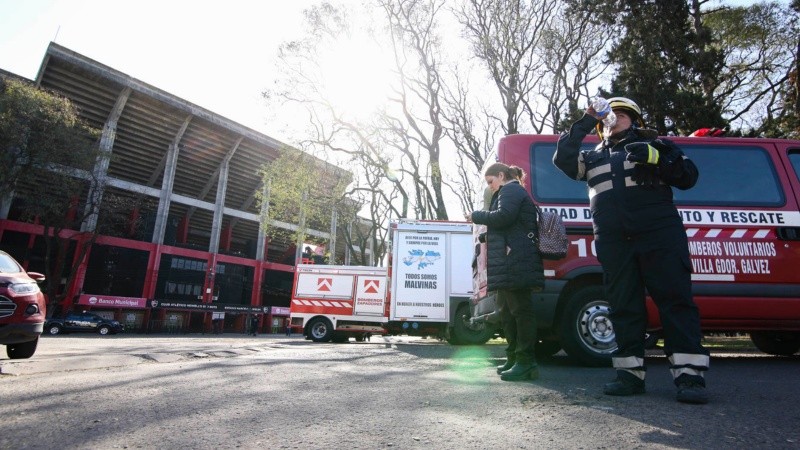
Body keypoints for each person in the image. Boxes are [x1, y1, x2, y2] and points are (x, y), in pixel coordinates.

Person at [553, 96, 709, 404]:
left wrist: (655, 157)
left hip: (660, 235)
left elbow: (688, 177)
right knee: (622, 304)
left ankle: (690, 377)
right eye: (610, 115)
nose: (616, 117)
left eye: (623, 114)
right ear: (600, 125)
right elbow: (562, 157)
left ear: (634, 120)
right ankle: (629, 375)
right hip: (613, 241)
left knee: (675, 301)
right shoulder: (591, 157)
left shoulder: (658, 145)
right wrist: (586, 119)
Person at [466, 163, 545, 382]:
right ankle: (514, 357)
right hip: (512, 261)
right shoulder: (511, 191)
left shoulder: (511, 190)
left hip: (516, 260)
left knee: (520, 311)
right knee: (509, 312)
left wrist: (477, 216)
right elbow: (509, 224)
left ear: (501, 175)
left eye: (491, 182)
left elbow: (504, 217)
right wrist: (485, 237)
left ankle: (526, 362)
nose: (491, 188)